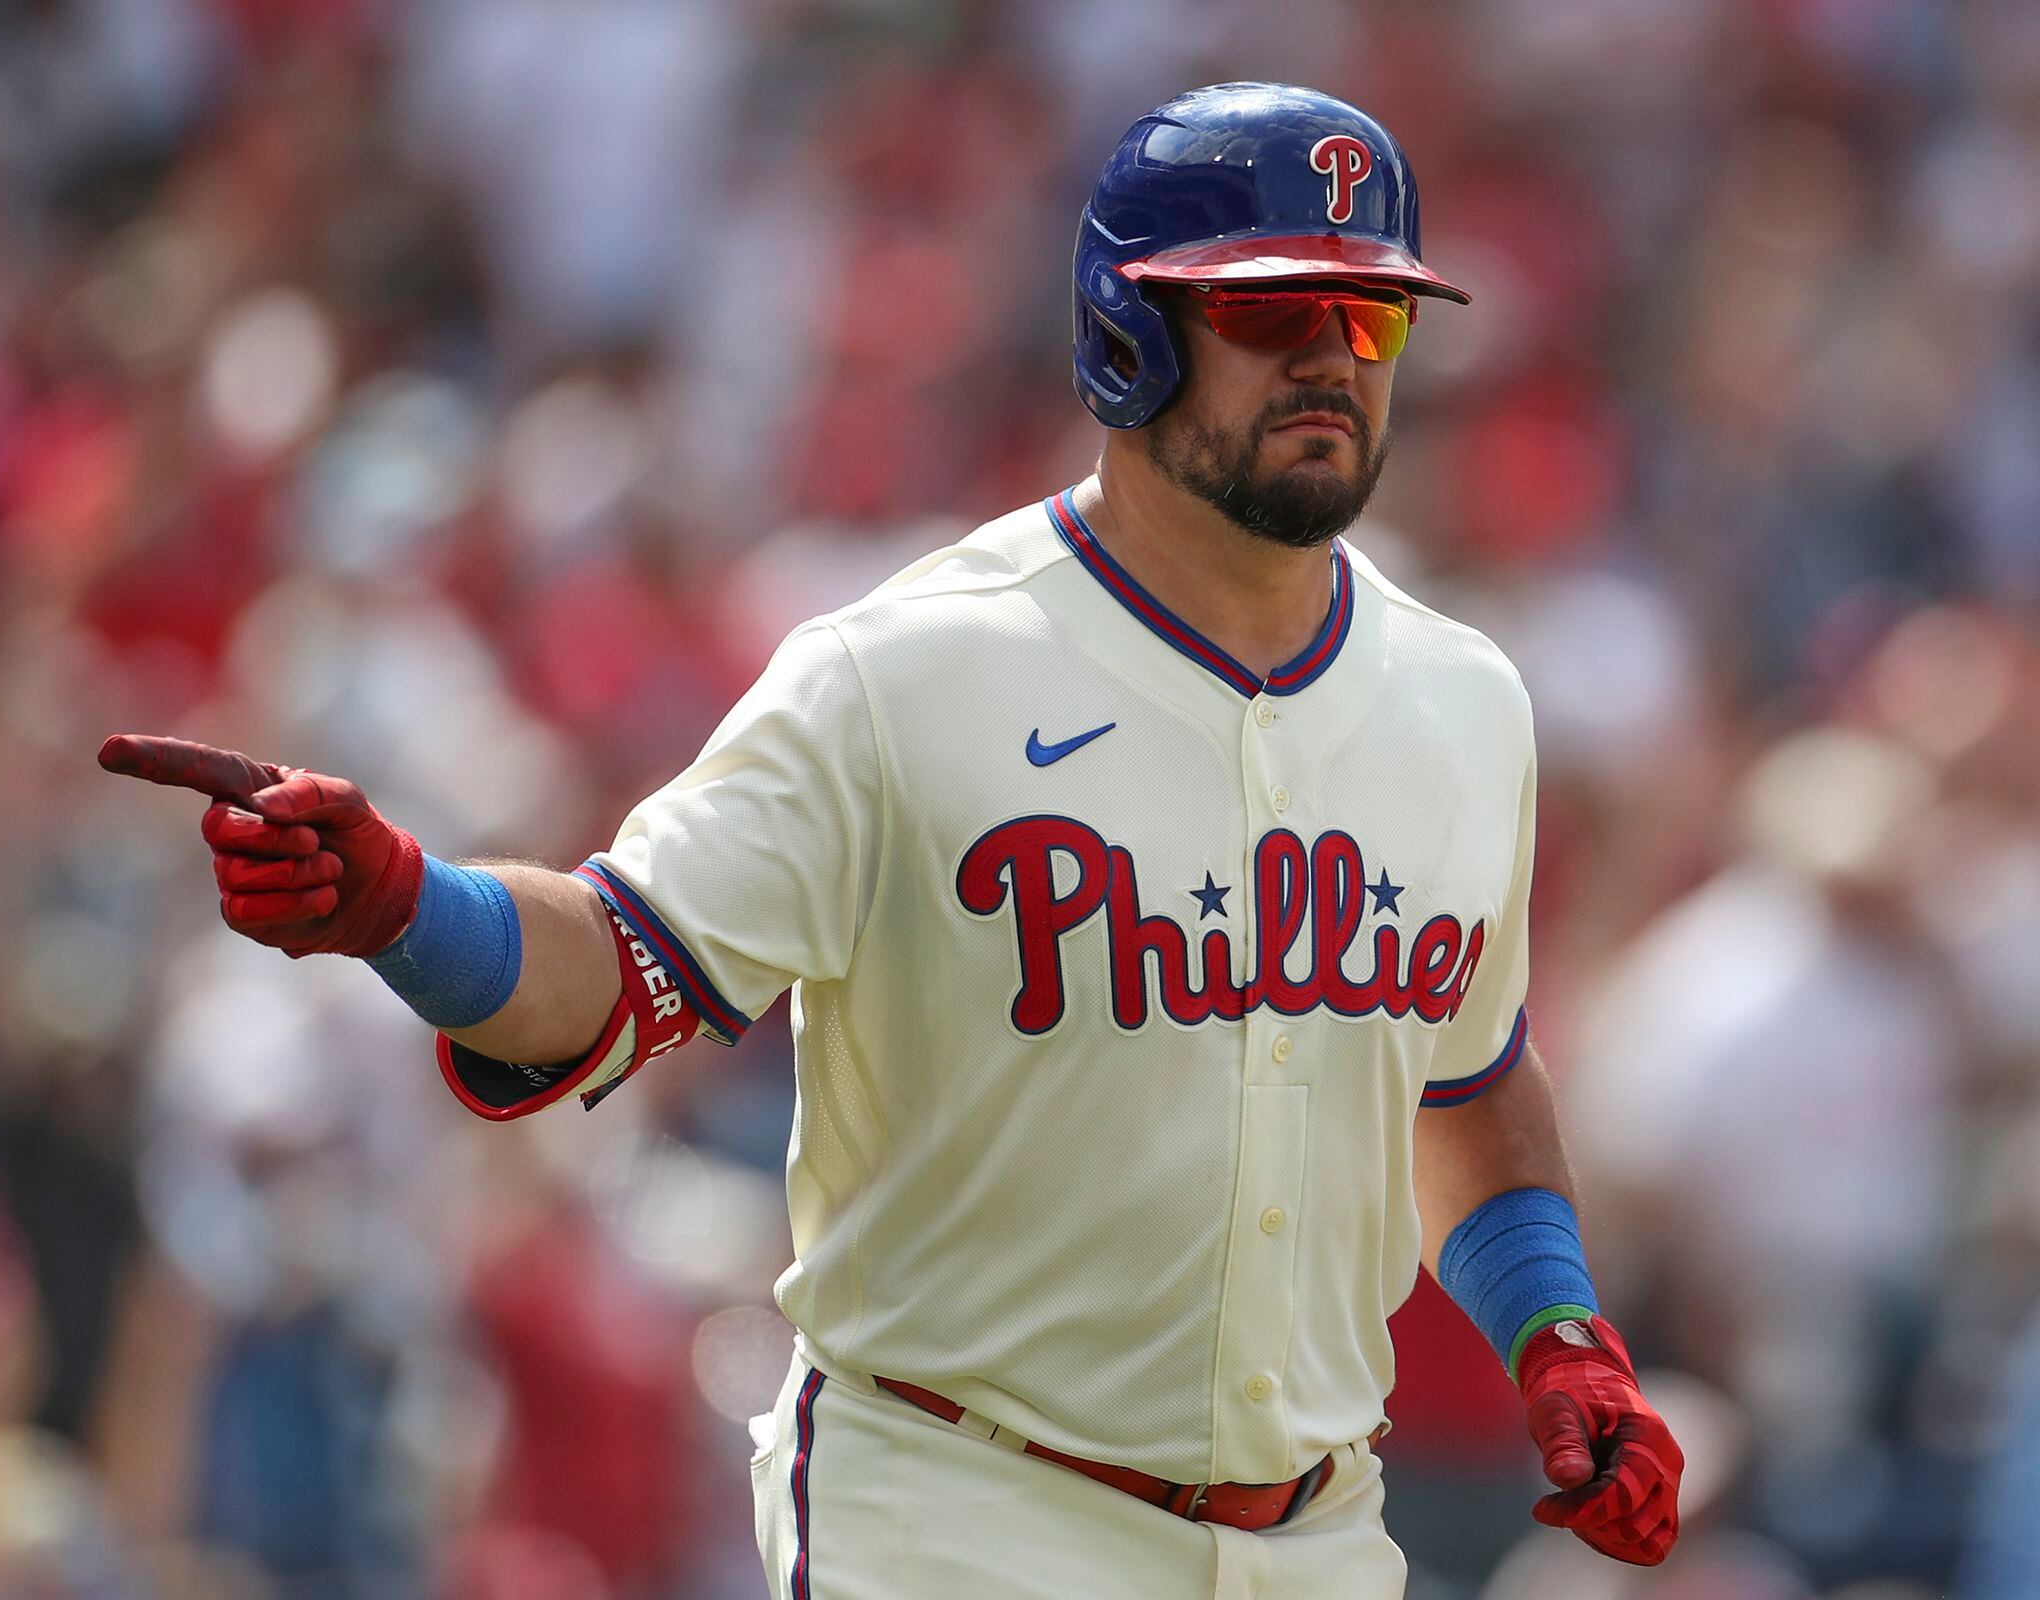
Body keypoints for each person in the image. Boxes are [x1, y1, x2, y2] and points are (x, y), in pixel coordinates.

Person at [103, 82, 1682, 1599]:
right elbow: (619, 963)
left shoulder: (1463, 704)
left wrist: (1559, 1339)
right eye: (1270, 311)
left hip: (1323, 1536)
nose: (1336, 358)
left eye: (1374, 314)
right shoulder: (902, 673)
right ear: (1129, 337)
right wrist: (403, 908)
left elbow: (1467, 1086)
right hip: (959, 1510)